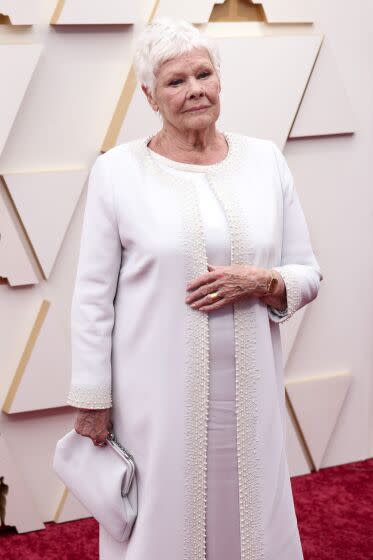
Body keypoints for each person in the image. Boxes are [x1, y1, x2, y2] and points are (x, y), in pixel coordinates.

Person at [67, 17, 323, 560]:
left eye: (204, 74)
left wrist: (265, 280)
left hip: (251, 393)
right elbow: (92, 296)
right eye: (175, 82)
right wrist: (93, 400)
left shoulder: (265, 161)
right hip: (153, 398)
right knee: (164, 518)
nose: (194, 91)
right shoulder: (117, 173)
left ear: (221, 81)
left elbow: (307, 271)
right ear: (149, 96)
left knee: (250, 509)